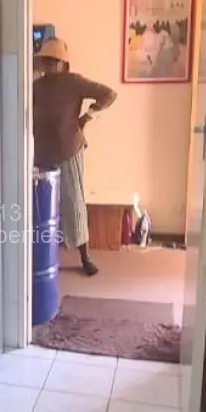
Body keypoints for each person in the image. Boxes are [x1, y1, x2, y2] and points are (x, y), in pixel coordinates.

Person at [33, 38, 117, 276]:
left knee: (73, 203)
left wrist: (87, 117)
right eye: (46, 61)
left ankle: (85, 257)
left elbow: (109, 94)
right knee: (42, 206)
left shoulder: (74, 82)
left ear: (63, 64)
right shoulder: (36, 87)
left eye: (54, 61)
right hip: (42, 153)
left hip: (69, 150)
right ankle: (43, 256)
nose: (49, 65)